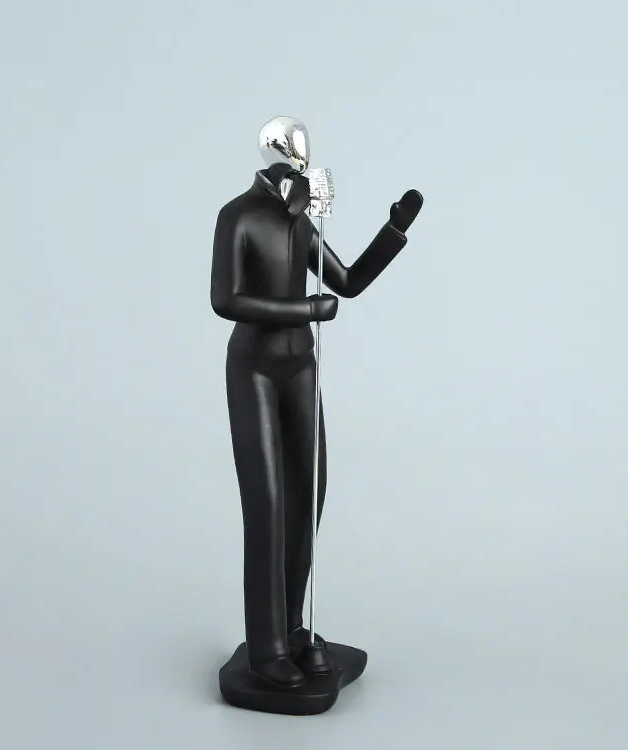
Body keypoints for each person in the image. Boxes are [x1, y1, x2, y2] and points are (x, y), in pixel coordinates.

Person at [211, 150, 422, 689]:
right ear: (274, 171)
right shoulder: (237, 217)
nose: (301, 179)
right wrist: (305, 310)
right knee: (268, 504)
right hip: (255, 369)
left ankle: (291, 628)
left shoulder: (301, 221)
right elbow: (225, 300)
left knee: (308, 494)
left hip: (300, 365)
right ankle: (266, 649)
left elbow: (346, 281)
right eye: (292, 169)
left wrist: (393, 232)